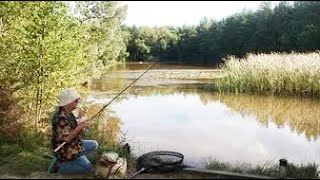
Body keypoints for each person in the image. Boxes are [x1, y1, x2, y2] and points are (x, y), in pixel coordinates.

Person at [48, 88, 99, 174]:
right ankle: (60, 167)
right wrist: (79, 127)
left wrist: (81, 123)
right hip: (65, 149)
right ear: (68, 102)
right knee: (88, 169)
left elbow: (71, 128)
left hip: (74, 144)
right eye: (76, 100)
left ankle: (77, 158)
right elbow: (66, 138)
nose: (78, 101)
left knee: (94, 144)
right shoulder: (60, 118)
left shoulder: (68, 113)